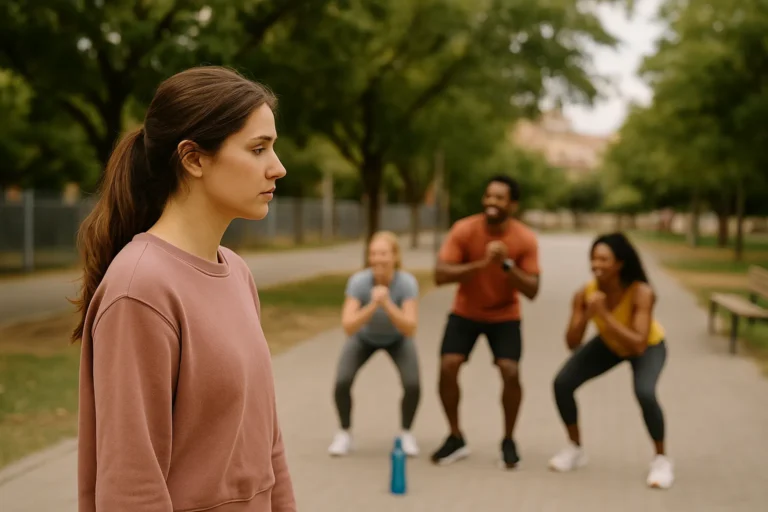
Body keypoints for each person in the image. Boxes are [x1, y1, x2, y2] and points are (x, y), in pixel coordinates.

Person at [72, 67, 296, 511]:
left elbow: (267, 445)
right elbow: (130, 487)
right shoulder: (140, 290)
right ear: (193, 158)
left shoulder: (236, 272)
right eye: (258, 149)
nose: (279, 167)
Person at [430, 175, 540, 469]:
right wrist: (484, 264)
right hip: (466, 311)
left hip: (505, 314)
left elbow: (532, 290)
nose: (492, 202)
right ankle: (455, 436)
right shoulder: (464, 229)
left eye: (500, 198)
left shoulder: (524, 238)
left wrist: (506, 265)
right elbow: (440, 275)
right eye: (489, 196)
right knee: (448, 365)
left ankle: (508, 439)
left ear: (513, 205)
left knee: (510, 370)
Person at [549, 232, 674, 490]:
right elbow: (572, 343)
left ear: (619, 263)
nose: (597, 265)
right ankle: (575, 449)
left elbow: (638, 343)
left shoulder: (641, 292)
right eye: (593, 258)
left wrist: (604, 315)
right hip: (610, 344)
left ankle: (661, 459)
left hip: (648, 346)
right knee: (562, 383)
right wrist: (587, 315)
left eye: (604, 259)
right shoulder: (585, 293)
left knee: (645, 393)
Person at [328, 231, 422, 457]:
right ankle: (344, 433)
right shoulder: (359, 282)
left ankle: (406, 433)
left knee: (413, 384)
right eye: (373, 253)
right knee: (342, 381)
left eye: (383, 253)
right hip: (364, 338)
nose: (378, 258)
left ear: (395, 256)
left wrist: (387, 303)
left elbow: (410, 327)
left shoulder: (407, 283)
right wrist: (373, 304)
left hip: (397, 340)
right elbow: (348, 326)